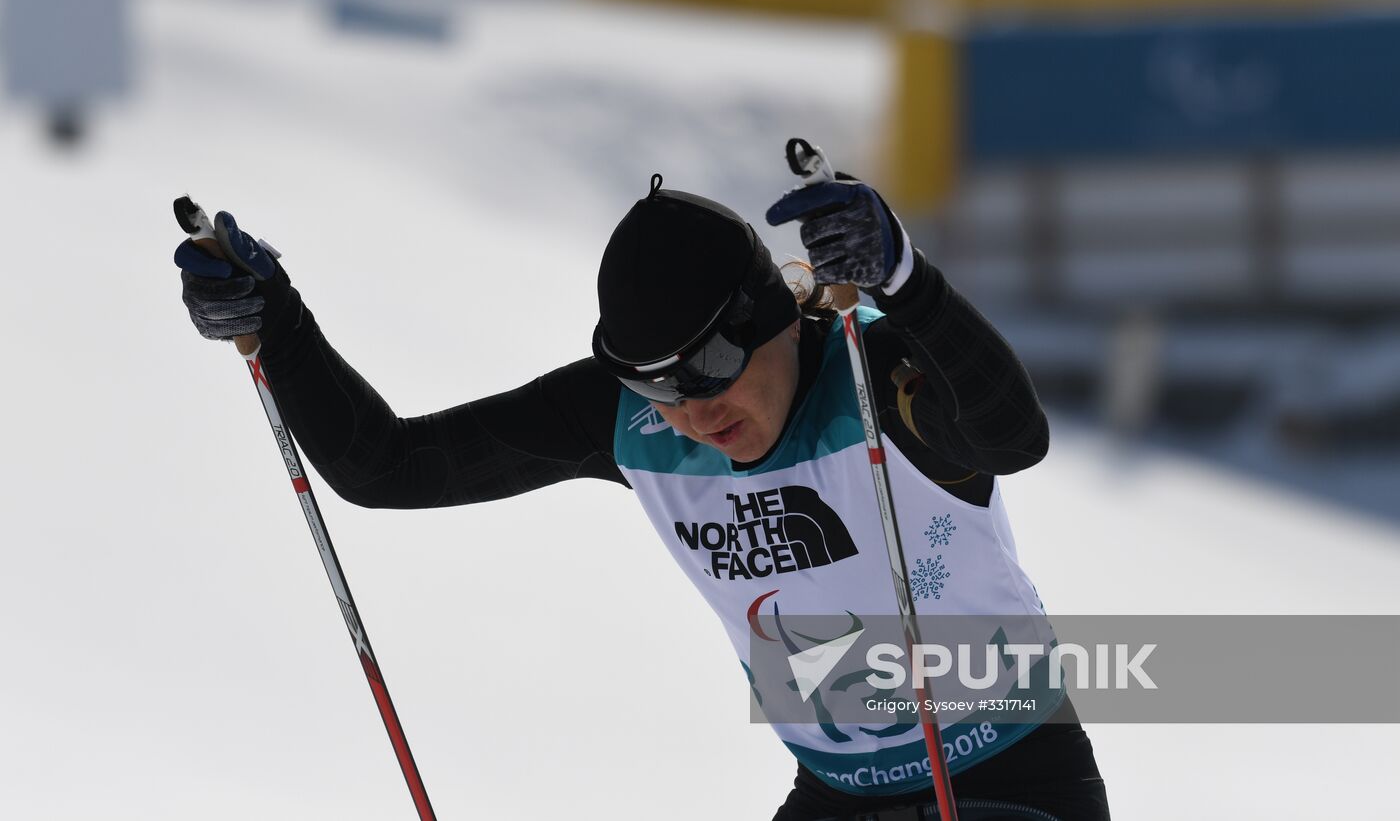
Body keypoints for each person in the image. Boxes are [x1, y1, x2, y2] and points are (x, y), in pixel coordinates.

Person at [176, 157, 1110, 821]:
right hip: (838, 790)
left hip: (1005, 778)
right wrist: (279, 327)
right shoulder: (629, 422)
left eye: (706, 371)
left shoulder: (880, 378)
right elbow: (388, 466)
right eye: (652, 382)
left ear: (772, 317)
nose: (692, 411)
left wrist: (906, 280)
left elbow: (1012, 437)